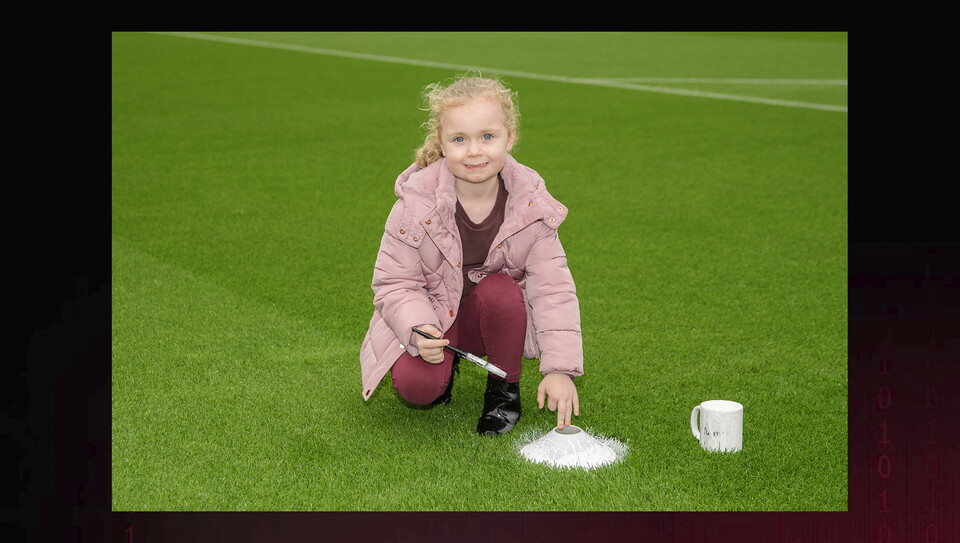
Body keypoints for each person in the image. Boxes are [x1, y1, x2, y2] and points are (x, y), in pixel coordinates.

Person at [359, 73, 583, 436]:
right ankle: (444, 369)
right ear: (442, 144)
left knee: (501, 290)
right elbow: (395, 281)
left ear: (510, 137)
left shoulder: (531, 205)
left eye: (488, 137)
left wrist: (560, 368)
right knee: (418, 389)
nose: (474, 150)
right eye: (460, 139)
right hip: (436, 320)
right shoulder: (416, 204)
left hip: (491, 317)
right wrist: (419, 330)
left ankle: (503, 391)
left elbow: (554, 289)